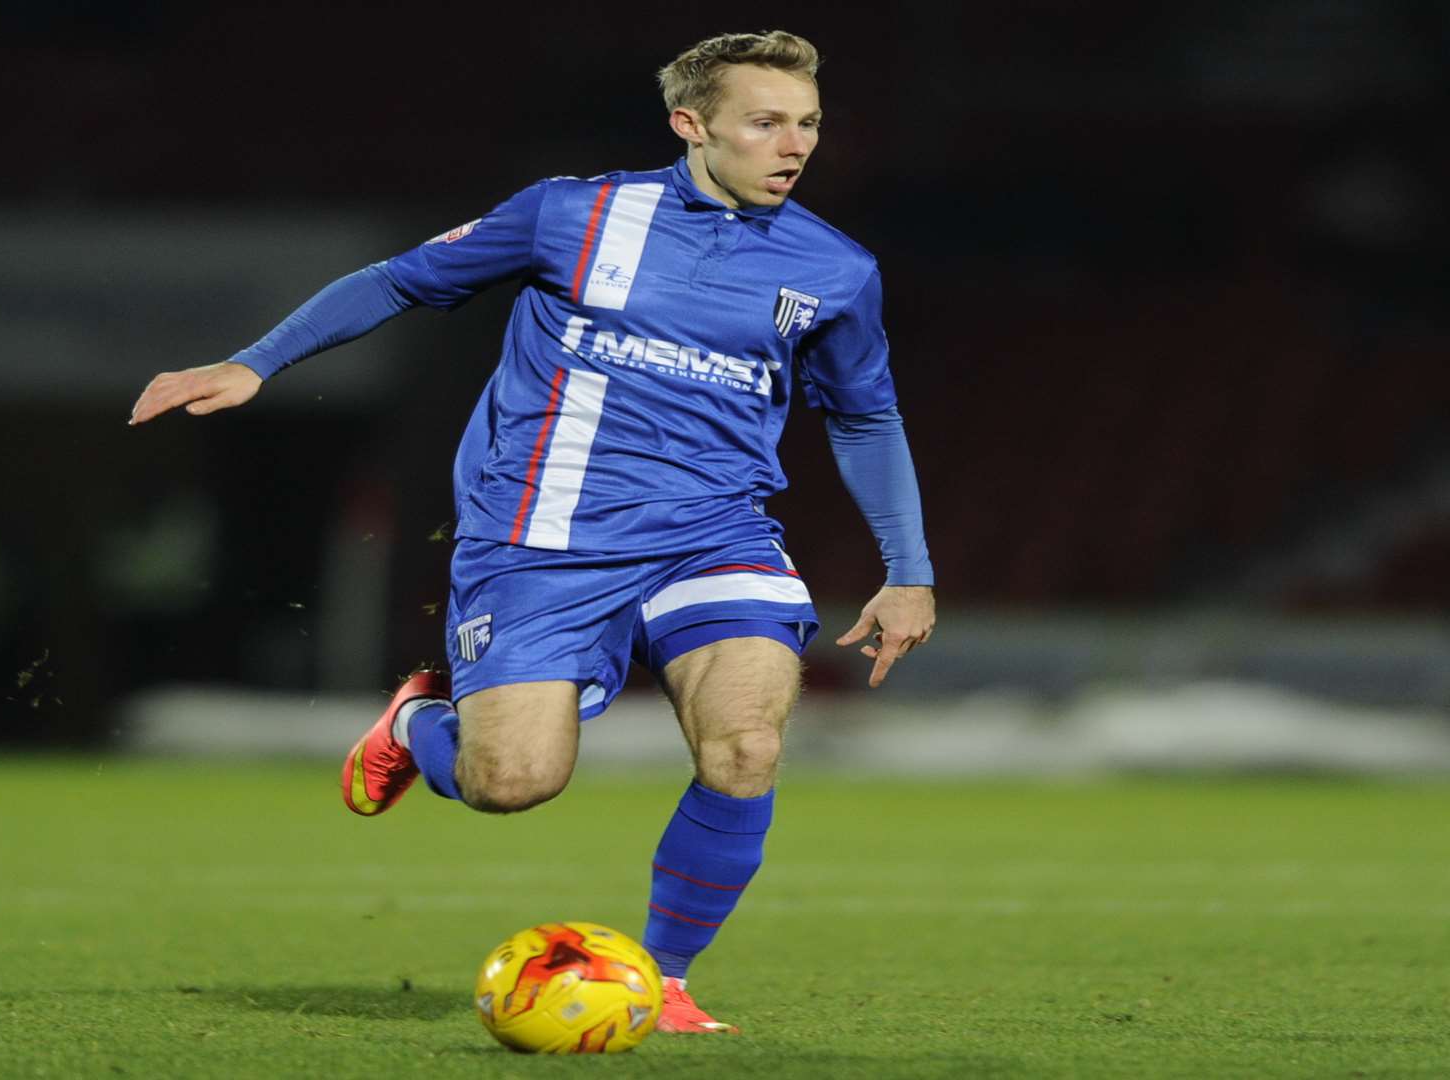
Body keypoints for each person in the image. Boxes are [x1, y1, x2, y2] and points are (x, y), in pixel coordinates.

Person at [129, 30, 934, 1034]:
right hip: (543, 539)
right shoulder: (571, 214)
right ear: (691, 124)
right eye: (766, 121)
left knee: (745, 745)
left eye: (808, 122)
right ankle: (420, 728)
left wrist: (910, 570)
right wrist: (256, 363)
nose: (795, 143)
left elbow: (863, 415)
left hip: (714, 534)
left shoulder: (836, 267)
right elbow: (400, 278)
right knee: (511, 782)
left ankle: (667, 980)